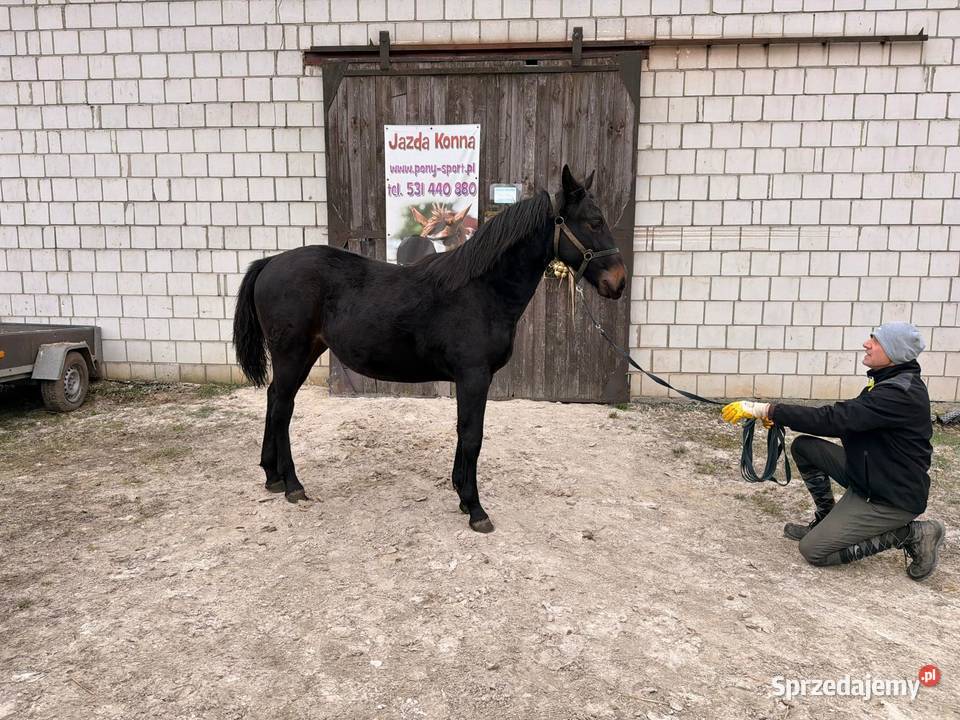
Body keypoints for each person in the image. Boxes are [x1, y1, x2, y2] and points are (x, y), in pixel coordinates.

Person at [721, 322, 946, 581]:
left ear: (894, 352)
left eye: (876, 341)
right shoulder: (889, 382)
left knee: (814, 550)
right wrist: (780, 416)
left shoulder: (898, 394)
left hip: (890, 497)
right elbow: (848, 420)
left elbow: (837, 419)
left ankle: (914, 534)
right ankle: (826, 518)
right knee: (805, 447)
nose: (866, 343)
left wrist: (768, 410)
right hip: (870, 475)